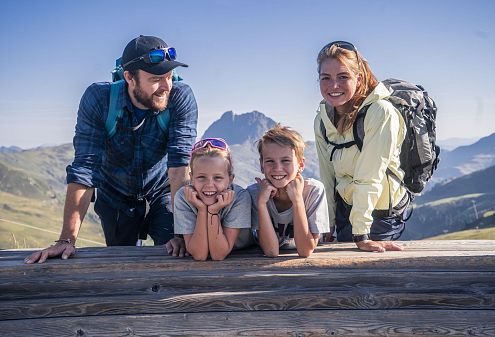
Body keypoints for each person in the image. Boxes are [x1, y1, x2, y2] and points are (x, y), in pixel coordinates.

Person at [25, 35, 198, 264]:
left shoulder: (180, 97)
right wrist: (66, 240)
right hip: (114, 196)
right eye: (156, 78)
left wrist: (181, 233)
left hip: (162, 192)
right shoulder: (100, 99)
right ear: (129, 77)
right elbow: (84, 168)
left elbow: (179, 167)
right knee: (120, 265)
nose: (166, 86)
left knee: (178, 256)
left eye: (168, 76)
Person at [314, 40, 409, 252]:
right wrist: (327, 221)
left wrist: (361, 232)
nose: (334, 86)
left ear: (359, 78)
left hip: (380, 212)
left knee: (368, 278)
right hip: (346, 209)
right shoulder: (322, 119)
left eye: (343, 77)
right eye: (325, 78)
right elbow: (327, 174)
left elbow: (370, 175)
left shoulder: (380, 112)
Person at [247, 124, 330, 258]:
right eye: (270, 161)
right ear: (261, 165)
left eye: (286, 161)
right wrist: (262, 204)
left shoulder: (314, 190)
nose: (277, 168)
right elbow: (271, 251)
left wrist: (297, 200)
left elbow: (305, 251)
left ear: (301, 165)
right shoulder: (255, 193)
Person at [173, 138, 252, 261]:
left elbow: (218, 255)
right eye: (201, 177)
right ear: (191, 178)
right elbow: (199, 255)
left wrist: (213, 211)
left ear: (230, 179)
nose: (209, 185)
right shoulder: (183, 197)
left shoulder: (239, 197)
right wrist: (202, 210)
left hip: (241, 256)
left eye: (218, 178)